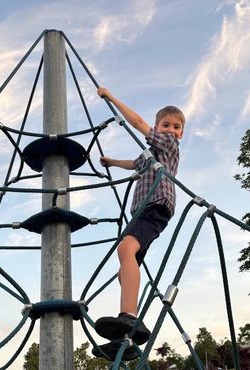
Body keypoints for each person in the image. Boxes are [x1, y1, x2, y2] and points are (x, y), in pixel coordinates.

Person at [93, 87, 185, 360]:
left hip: (156, 205)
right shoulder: (149, 155)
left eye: (177, 127)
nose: (171, 130)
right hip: (144, 211)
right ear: (159, 126)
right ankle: (127, 340)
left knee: (125, 250)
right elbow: (133, 164)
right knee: (125, 269)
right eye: (166, 125)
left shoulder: (168, 146)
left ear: (180, 133)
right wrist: (111, 161)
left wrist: (111, 97)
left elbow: (136, 123)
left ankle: (129, 317)